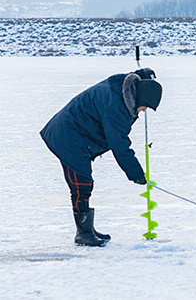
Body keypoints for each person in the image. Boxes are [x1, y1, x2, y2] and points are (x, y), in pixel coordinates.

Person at [40, 68, 163, 247]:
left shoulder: (124, 88)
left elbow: (135, 80)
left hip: (78, 133)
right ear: (140, 98)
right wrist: (136, 173)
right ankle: (84, 233)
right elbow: (119, 144)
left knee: (83, 184)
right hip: (68, 136)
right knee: (82, 184)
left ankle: (87, 229)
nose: (143, 111)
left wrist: (143, 74)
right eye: (145, 106)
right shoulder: (117, 107)